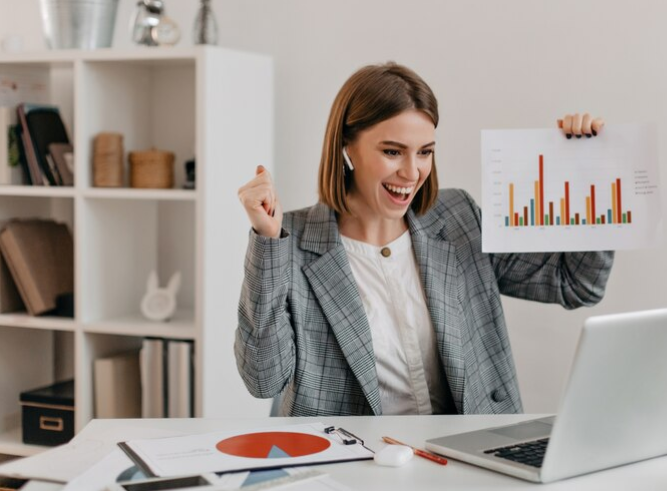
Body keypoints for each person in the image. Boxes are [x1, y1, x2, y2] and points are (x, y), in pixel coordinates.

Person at [236, 62, 614, 417]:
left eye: (425, 153)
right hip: (355, 470)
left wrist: (587, 176)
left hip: (468, 461)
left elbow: (577, 285)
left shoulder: (458, 218)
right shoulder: (292, 241)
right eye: (392, 151)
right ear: (347, 147)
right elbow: (262, 378)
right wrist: (267, 241)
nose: (411, 171)